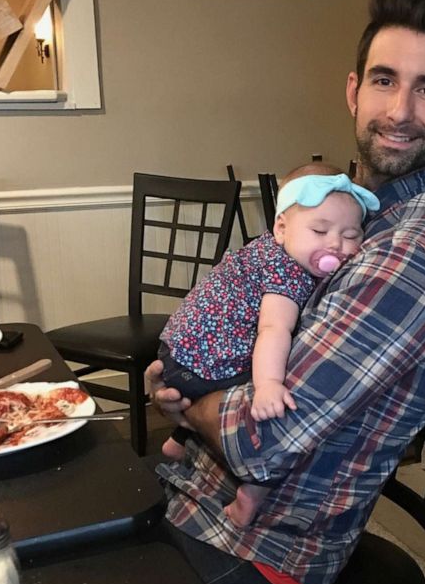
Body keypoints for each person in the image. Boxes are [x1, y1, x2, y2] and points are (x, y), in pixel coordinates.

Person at [146, 0, 425, 584]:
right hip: (202, 500)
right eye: (385, 81)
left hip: (257, 552)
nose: (400, 109)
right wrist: (189, 379)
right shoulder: (344, 214)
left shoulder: (410, 256)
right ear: (354, 91)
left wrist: (191, 405)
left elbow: (258, 444)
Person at [158, 162, 374, 526]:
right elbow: (273, 330)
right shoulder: (287, 272)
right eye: (320, 230)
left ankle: (177, 441)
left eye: (351, 235)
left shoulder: (261, 251)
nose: (335, 244)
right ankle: (252, 493)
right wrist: (269, 386)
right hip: (205, 364)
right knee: (277, 419)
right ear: (281, 228)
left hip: (177, 353)